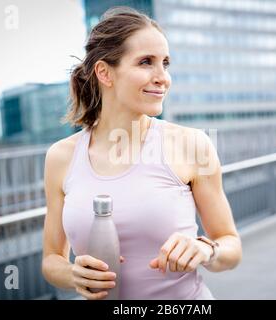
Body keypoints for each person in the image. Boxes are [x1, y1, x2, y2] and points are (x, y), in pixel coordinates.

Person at [41, 6, 242, 300]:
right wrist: (73, 275)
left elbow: (231, 246)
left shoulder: (192, 144)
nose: (163, 77)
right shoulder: (60, 157)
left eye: (166, 63)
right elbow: (51, 259)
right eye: (146, 62)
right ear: (105, 73)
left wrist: (205, 249)